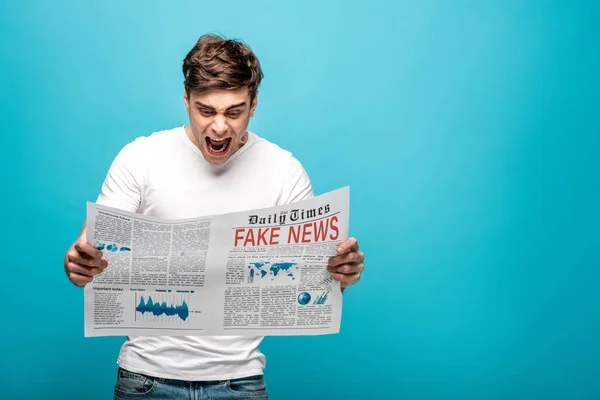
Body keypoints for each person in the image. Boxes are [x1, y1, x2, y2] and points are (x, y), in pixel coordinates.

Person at [63, 34, 365, 400]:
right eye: (206, 110)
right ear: (186, 101)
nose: (220, 127)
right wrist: (80, 261)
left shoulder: (284, 170)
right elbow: (91, 246)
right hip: (145, 380)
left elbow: (317, 278)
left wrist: (341, 274)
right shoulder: (139, 158)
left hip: (240, 382)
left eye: (233, 112)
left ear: (254, 106)